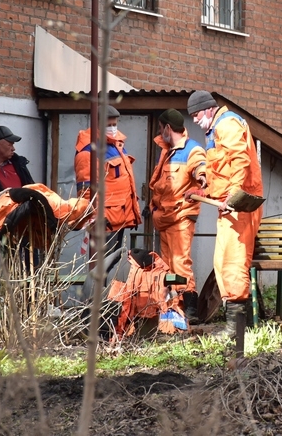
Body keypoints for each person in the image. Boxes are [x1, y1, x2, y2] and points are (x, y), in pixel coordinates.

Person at [184, 91, 263, 336]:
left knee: (233, 263)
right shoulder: (216, 129)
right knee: (222, 262)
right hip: (229, 206)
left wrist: (234, 195)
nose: (195, 120)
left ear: (208, 109)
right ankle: (242, 326)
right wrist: (204, 189)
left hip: (240, 206)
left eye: (196, 115)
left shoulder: (227, 124)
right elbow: (222, 171)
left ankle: (237, 329)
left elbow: (240, 161)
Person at [148, 108, 207, 323]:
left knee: (181, 264)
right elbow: (160, 186)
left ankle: (190, 310)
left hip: (181, 217)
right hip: (164, 219)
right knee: (167, 267)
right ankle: (174, 309)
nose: (159, 131)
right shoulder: (168, 151)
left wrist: (202, 180)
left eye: (160, 128)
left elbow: (202, 168)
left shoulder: (192, 150)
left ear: (168, 128)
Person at [74, 105, 142, 274]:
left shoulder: (116, 144)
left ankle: (111, 299)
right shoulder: (88, 151)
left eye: (114, 124)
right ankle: (100, 300)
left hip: (119, 218)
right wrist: (92, 217)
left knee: (114, 268)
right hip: (104, 221)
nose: (113, 128)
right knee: (101, 269)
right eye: (109, 124)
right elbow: (86, 190)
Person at [0, 125, 35, 197]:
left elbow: (33, 188)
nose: (13, 149)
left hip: (25, 207)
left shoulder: (19, 163)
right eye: (10, 145)